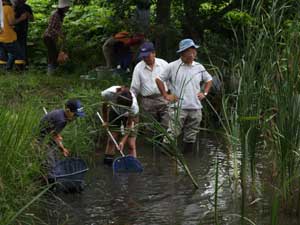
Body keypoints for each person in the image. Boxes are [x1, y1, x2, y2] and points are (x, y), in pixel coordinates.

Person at [155, 38, 213, 153]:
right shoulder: (172, 66)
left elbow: (209, 79)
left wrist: (204, 93)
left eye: (193, 51)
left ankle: (187, 161)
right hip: (178, 106)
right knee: (172, 133)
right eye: (189, 51)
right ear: (182, 53)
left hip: (195, 106)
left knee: (192, 135)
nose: (192, 54)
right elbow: (158, 79)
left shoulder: (199, 67)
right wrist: (166, 95)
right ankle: (165, 160)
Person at [38, 99, 85, 175]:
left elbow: (54, 133)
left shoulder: (61, 113)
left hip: (46, 134)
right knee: (50, 159)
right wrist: (63, 149)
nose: (76, 117)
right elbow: (54, 137)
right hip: (41, 138)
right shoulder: (62, 120)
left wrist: (57, 136)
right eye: (75, 115)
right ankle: (48, 175)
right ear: (68, 110)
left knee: (55, 152)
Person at [130, 41, 169, 131]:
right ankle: (153, 145)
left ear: (154, 53)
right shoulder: (138, 68)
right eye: (144, 56)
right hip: (147, 101)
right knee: (150, 128)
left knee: (167, 126)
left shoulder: (164, 64)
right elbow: (134, 88)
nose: (146, 58)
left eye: (148, 56)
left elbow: (172, 82)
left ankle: (165, 144)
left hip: (163, 98)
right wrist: (132, 104)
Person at [101, 86, 139, 165]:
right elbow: (104, 105)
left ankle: (133, 166)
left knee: (131, 144)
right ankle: (107, 165)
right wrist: (105, 121)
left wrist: (122, 141)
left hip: (130, 115)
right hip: (115, 112)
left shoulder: (134, 107)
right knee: (112, 140)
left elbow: (129, 124)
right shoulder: (108, 93)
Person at [43, 0, 70, 75]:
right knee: (52, 54)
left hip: (52, 37)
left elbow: (58, 28)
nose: (68, 8)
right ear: (63, 7)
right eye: (67, 7)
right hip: (48, 37)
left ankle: (53, 72)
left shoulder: (61, 15)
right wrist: (59, 34)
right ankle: (50, 73)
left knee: (54, 54)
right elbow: (51, 27)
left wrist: (61, 35)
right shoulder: (55, 14)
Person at [0, 0, 25, 70]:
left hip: (0, 37)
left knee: (2, 57)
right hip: (8, 37)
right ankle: (19, 73)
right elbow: (11, 22)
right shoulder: (7, 8)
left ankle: (3, 73)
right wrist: (21, 18)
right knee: (19, 55)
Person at [14, 0, 33, 65]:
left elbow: (32, 19)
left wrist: (28, 15)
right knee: (15, 47)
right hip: (14, 31)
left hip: (23, 30)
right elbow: (11, 21)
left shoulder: (27, 7)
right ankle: (16, 64)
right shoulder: (13, 6)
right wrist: (21, 18)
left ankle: (23, 64)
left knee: (23, 47)